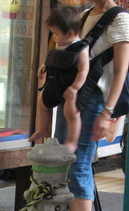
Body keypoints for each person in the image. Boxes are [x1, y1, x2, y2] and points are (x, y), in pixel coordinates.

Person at [56, 1, 129, 211]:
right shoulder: (88, 14)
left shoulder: (120, 19)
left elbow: (121, 70)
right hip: (77, 98)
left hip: (96, 100)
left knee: (79, 164)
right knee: (67, 160)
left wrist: (107, 113)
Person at [29, 5, 90, 153]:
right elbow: (53, 59)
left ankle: (72, 141)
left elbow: (83, 70)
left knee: (72, 112)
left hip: (68, 88)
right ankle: (43, 129)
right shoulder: (59, 44)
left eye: (56, 34)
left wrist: (75, 88)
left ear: (70, 33)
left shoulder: (80, 47)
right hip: (53, 84)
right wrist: (44, 66)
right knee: (42, 103)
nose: (54, 37)